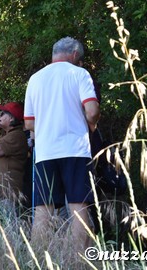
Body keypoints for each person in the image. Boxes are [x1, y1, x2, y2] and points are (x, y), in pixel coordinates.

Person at [23, 37, 100, 253]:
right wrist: (91, 126)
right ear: (75, 55)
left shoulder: (35, 78)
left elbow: (29, 122)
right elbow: (92, 111)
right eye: (81, 59)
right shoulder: (79, 74)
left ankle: (38, 258)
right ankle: (77, 259)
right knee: (78, 204)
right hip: (75, 148)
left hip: (45, 151)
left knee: (43, 209)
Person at [0, 102, 28, 209]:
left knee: (7, 224)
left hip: (6, 193)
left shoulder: (16, 135)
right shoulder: (5, 135)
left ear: (12, 119)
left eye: (3, 113)